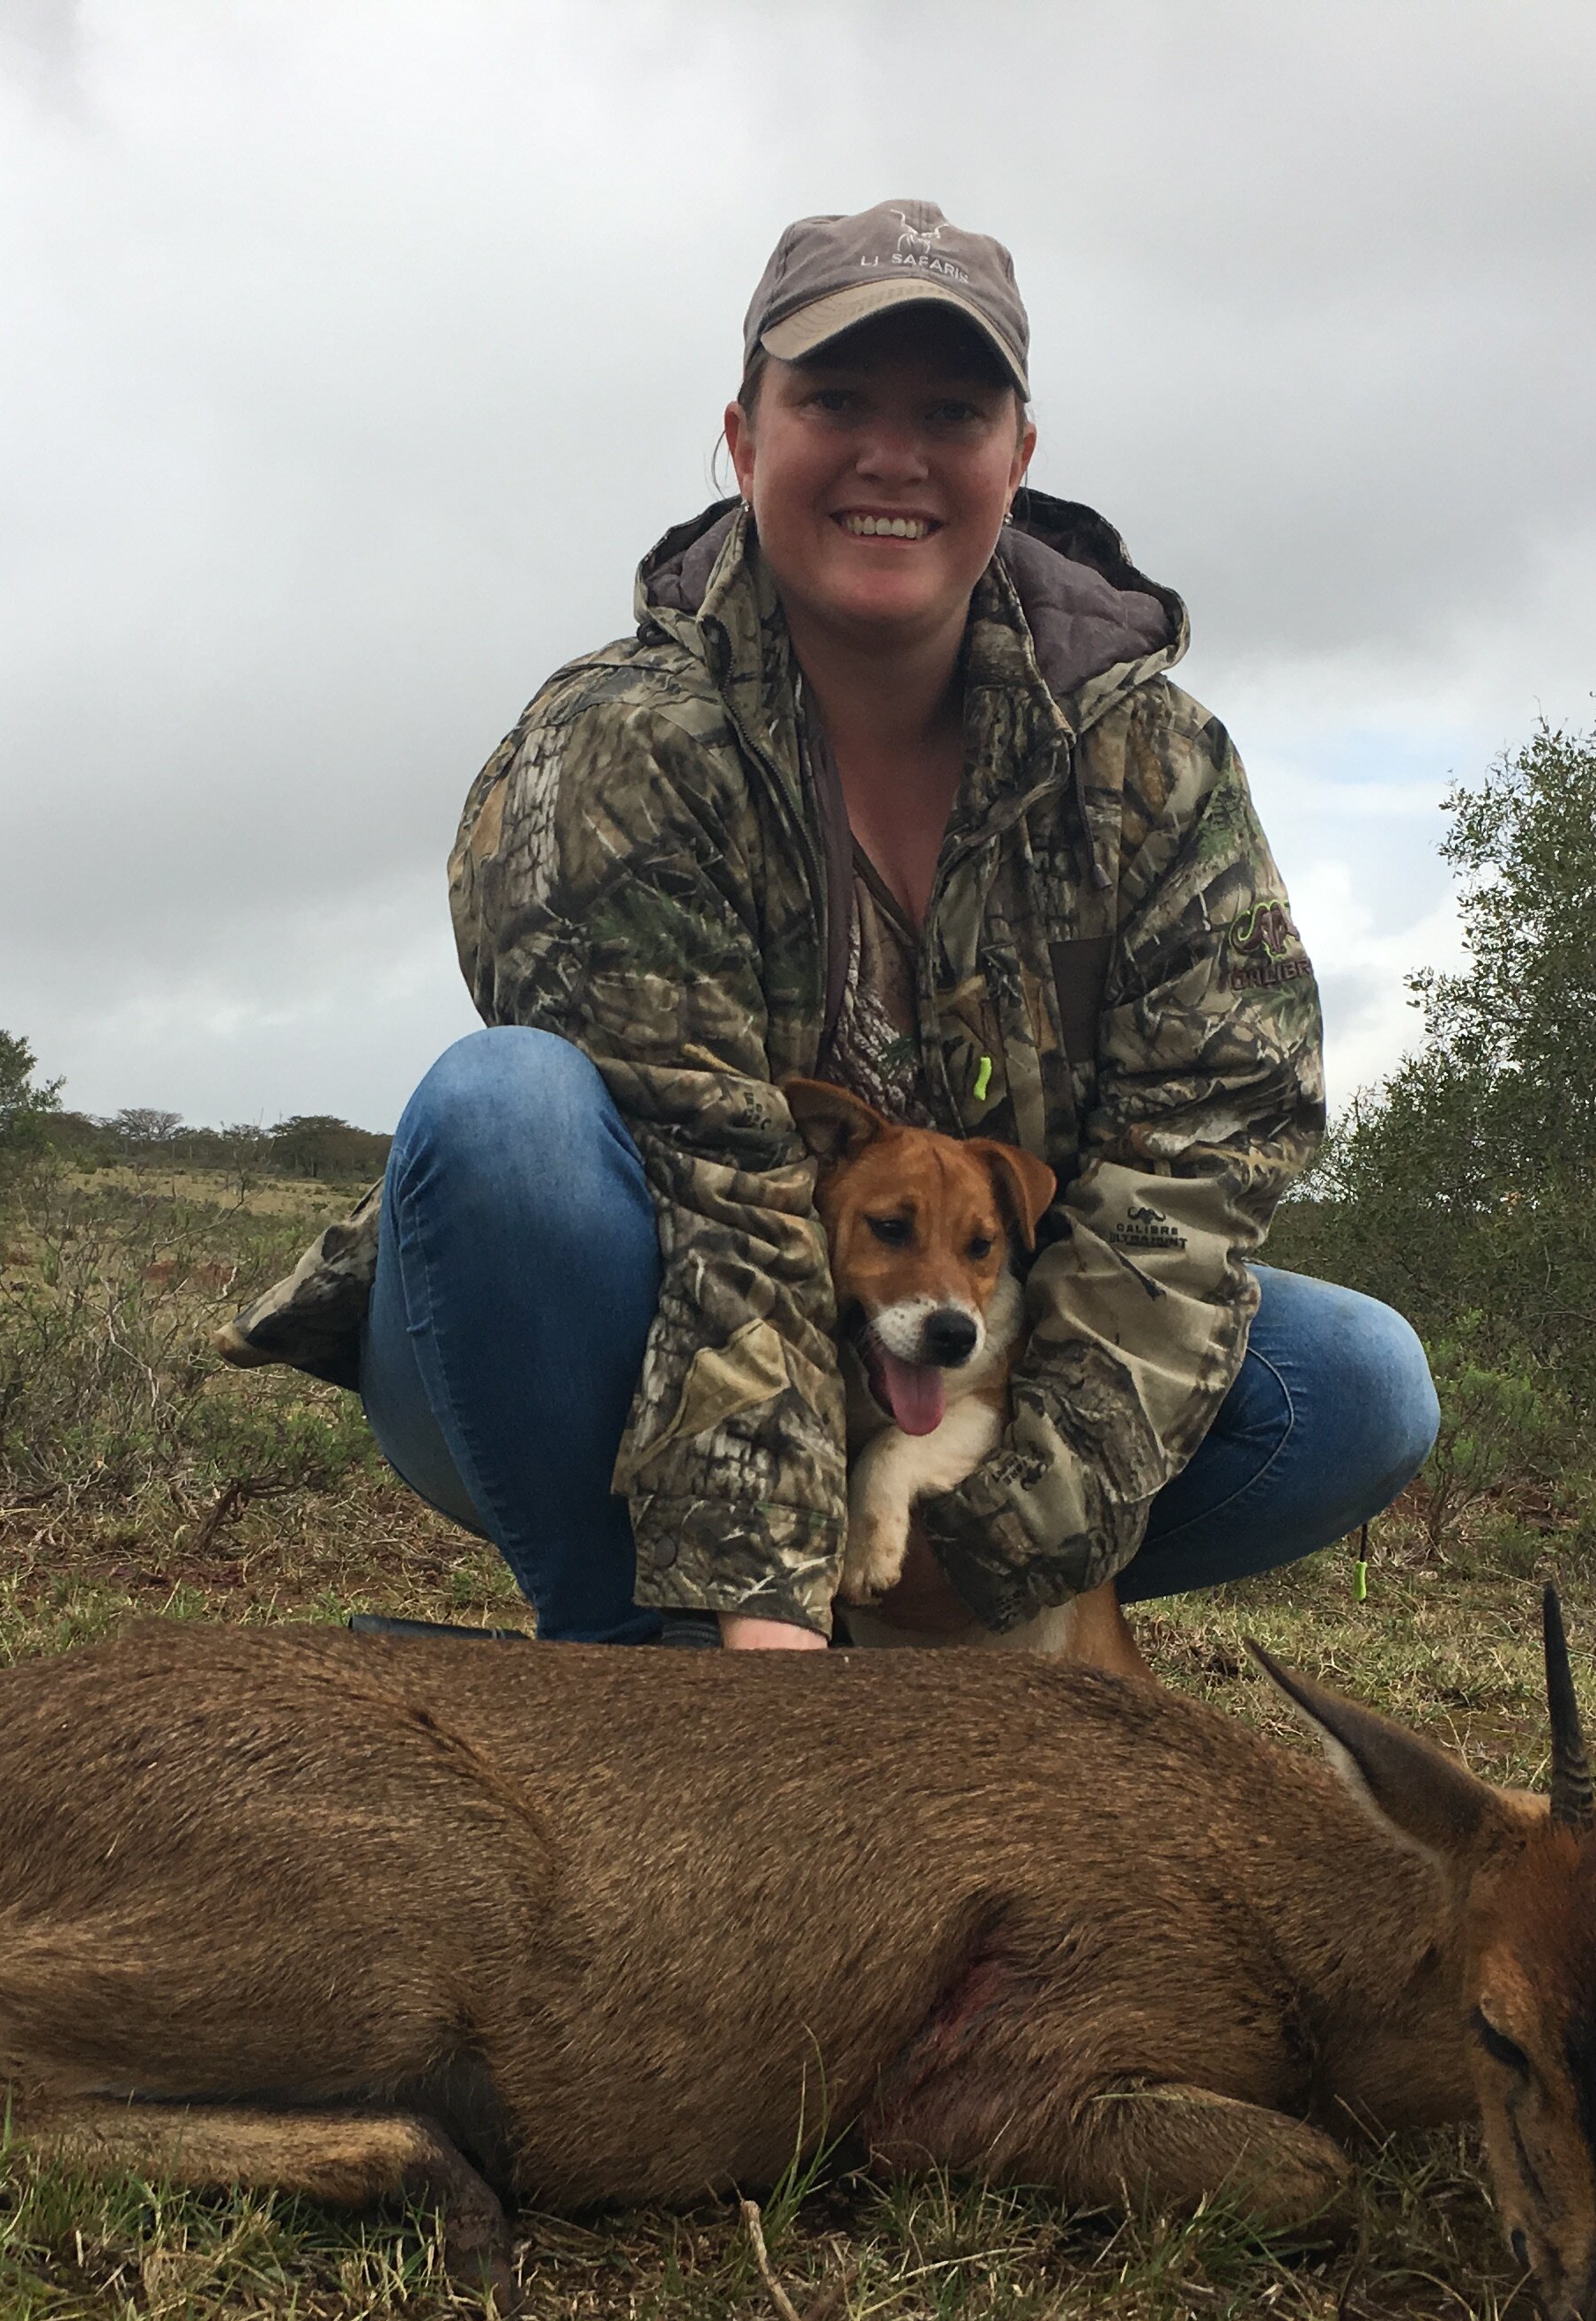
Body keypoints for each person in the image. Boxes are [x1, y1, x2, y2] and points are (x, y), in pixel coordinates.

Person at [225, 200, 1438, 1648]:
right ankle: (643, 1674)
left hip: (947, 1389)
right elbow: (719, 1197)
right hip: (589, 1328)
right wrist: (770, 1607)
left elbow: (1197, 1171)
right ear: (743, 440)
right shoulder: (622, 747)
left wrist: (984, 1533)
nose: (893, 455)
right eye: (835, 400)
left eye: (950, 410)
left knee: (1359, 1382)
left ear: (1018, 460)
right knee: (505, 1122)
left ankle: (908, 1649)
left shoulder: (1155, 766)